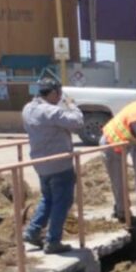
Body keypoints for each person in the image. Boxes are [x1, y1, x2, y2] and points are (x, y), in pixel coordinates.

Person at [21, 79, 84, 254]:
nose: (60, 98)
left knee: (48, 198)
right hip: (59, 163)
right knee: (62, 202)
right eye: (59, 94)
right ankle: (53, 241)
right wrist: (72, 105)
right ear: (54, 93)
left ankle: (32, 231)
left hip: (40, 163)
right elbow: (77, 122)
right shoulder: (51, 111)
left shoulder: (27, 109)